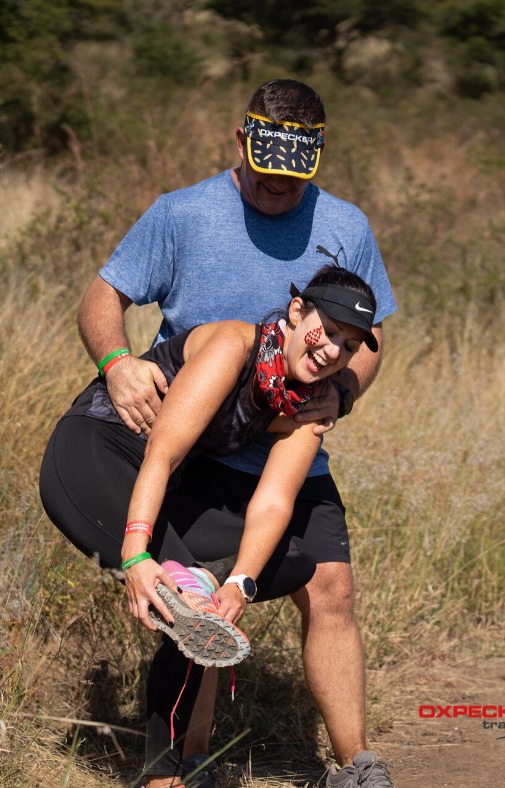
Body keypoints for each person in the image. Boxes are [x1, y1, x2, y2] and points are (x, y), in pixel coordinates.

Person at [75, 79, 397, 788]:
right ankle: (186, 764)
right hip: (202, 445)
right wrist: (116, 363)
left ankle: (355, 767)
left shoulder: (346, 224)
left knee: (333, 588)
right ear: (242, 141)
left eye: (293, 177)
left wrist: (340, 393)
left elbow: (369, 338)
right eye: (266, 170)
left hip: (291, 445)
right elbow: (103, 295)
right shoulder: (183, 213)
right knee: (198, 598)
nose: (277, 187)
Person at [41, 266, 380, 787]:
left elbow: (272, 503)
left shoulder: (312, 403)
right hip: (96, 454)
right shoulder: (232, 345)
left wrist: (240, 583)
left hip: (158, 487)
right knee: (184, 600)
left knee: (289, 562)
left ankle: (197, 598)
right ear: (296, 313)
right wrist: (136, 557)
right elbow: (162, 453)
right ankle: (166, 778)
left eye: (350, 344)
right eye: (328, 330)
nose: (334, 350)